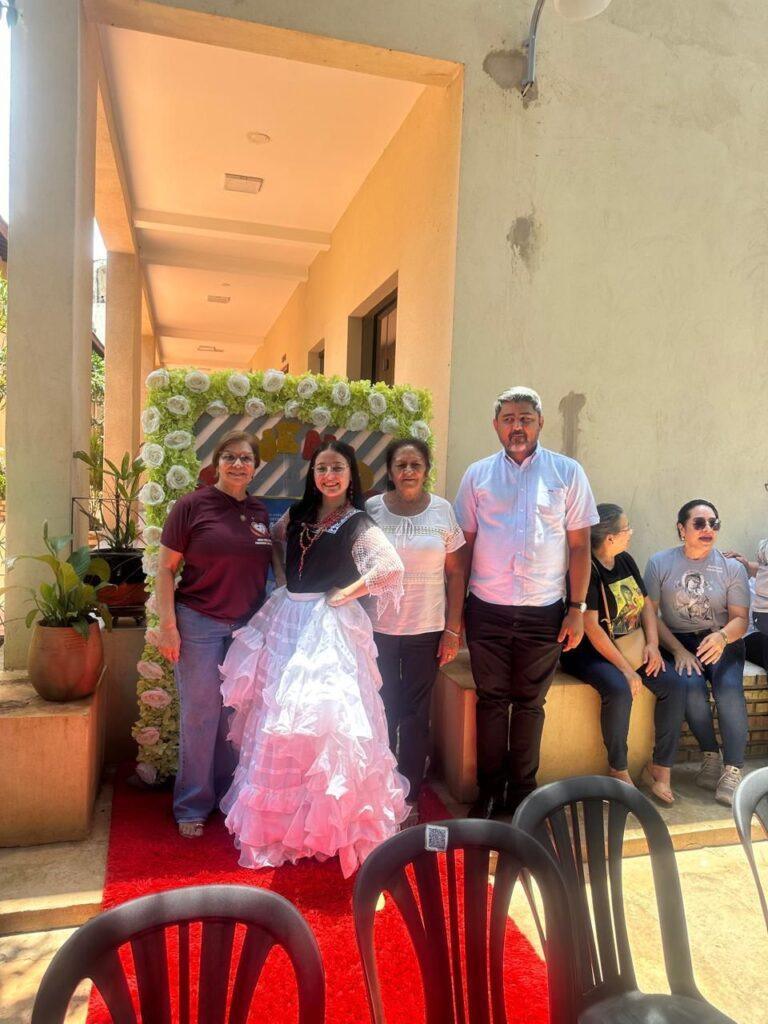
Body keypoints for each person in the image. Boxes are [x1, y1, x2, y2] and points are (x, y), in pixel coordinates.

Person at [219, 440, 409, 877]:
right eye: (322, 468)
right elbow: (275, 542)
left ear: (350, 474)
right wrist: (282, 578)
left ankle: (329, 825)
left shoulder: (357, 521)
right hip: (288, 618)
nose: (329, 476)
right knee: (281, 717)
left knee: (327, 722)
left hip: (328, 628)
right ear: (313, 474)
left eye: (337, 468)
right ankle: (285, 825)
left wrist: (345, 594)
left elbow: (389, 568)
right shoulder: (299, 513)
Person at [454, 386, 599, 818]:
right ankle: (488, 791)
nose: (517, 426)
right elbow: (465, 547)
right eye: (509, 419)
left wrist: (576, 609)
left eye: (525, 419)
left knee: (531, 704)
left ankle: (522, 794)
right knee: (491, 701)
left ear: (540, 423)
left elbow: (580, 547)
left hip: (544, 611)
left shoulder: (567, 473)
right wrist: (456, 613)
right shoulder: (477, 475)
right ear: (496, 425)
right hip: (487, 608)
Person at [155, 430, 277, 838]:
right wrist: (168, 627)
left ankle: (228, 795)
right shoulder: (191, 506)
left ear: (255, 467)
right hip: (198, 623)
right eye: (230, 456)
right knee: (201, 713)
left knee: (236, 714)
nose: (238, 464)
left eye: (246, 458)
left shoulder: (259, 512)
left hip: (245, 628)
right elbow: (165, 569)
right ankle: (192, 804)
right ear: (216, 463)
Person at [365, 438, 465, 820]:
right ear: (390, 472)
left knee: (415, 713)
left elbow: (456, 573)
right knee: (383, 709)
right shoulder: (372, 509)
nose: (408, 471)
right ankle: (381, 790)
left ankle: (409, 796)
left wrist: (452, 630)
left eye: (415, 465)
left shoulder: (442, 511)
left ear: (426, 470)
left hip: (426, 629)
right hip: (379, 628)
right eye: (401, 465)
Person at [560, 504, 687, 803]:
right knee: (619, 689)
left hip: (631, 645)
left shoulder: (625, 560)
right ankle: (618, 769)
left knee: (674, 684)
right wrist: (627, 671)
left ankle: (660, 769)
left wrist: (652, 645)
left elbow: (646, 608)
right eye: (626, 528)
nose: (631, 533)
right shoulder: (587, 569)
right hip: (590, 652)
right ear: (610, 537)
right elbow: (591, 627)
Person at [645, 499, 750, 806]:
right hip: (678, 641)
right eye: (699, 523)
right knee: (690, 688)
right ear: (682, 528)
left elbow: (740, 619)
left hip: (722, 639)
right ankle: (710, 756)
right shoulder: (659, 562)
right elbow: (649, 612)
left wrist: (721, 637)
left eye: (714, 523)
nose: (708, 529)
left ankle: (733, 769)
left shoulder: (731, 568)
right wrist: (677, 650)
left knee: (728, 690)